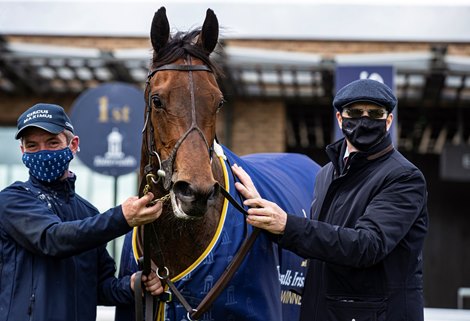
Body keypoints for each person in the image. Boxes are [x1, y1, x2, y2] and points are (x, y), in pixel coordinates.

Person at [232, 78, 428, 321]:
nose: (364, 119)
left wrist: (287, 224)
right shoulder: (326, 173)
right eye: (355, 112)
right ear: (340, 119)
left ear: (388, 121)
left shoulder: (404, 177)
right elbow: (320, 242)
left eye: (375, 113)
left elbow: (367, 245)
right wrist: (262, 212)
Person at [0, 103, 163, 321]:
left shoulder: (87, 212)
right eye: (32, 146)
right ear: (22, 151)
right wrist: (122, 217)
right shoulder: (13, 199)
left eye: (52, 143)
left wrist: (132, 284)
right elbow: (52, 238)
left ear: (73, 144)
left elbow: (99, 287)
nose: (43, 152)